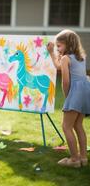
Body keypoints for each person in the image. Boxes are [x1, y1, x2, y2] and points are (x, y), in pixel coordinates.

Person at [47, 29, 90, 168]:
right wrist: (51, 52)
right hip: (85, 92)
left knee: (66, 127)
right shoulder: (81, 57)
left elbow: (65, 81)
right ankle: (83, 158)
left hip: (75, 93)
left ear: (68, 44)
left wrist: (68, 97)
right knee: (78, 125)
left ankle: (74, 160)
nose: (58, 48)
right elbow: (58, 66)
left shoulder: (66, 58)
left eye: (59, 46)